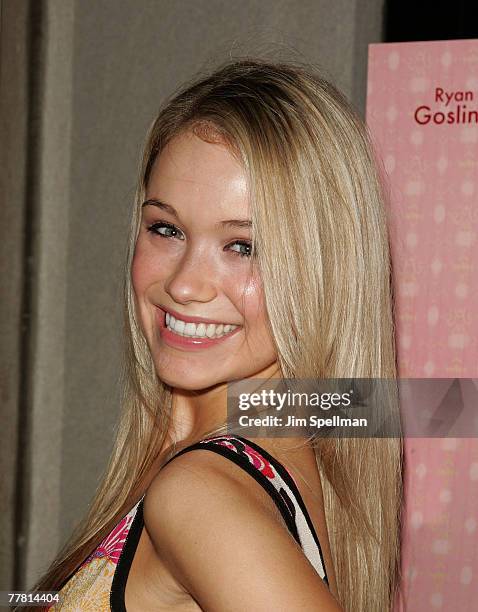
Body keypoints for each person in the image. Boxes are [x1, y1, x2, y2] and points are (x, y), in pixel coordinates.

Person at [25, 58, 403, 611]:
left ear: (325, 271)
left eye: (243, 246)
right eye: (166, 229)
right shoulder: (259, 453)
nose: (184, 285)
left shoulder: (199, 494)